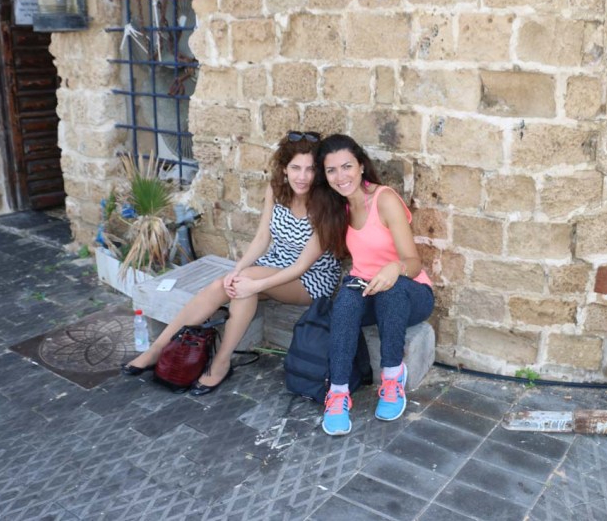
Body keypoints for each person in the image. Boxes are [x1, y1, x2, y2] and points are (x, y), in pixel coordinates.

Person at [121, 132, 340, 395]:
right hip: (274, 264)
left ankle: (221, 361)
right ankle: (158, 348)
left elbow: (301, 267)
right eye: (296, 168)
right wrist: (236, 269)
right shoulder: (277, 190)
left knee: (246, 283)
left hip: (310, 279)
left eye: (310, 169)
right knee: (222, 285)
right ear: (284, 168)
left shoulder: (328, 205)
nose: (302, 176)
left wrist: (253, 282)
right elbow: (262, 238)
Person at [311, 134, 434, 436]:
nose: (341, 176)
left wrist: (396, 267)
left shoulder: (385, 199)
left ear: (361, 166)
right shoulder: (337, 207)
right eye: (332, 170)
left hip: (411, 292)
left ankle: (392, 377)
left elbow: (414, 262)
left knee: (391, 291)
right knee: (345, 300)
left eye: (347, 166)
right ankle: (338, 394)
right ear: (325, 176)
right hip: (368, 290)